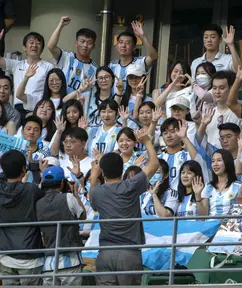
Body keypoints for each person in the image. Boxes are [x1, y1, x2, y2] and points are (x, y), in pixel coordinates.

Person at [89, 128, 159, 286]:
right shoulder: (130, 186)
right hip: (129, 254)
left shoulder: (98, 192)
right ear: (122, 169)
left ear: (103, 172)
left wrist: (94, 177)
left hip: (105, 254)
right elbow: (154, 165)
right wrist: (147, 141)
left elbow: (92, 201)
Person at [0, 150, 45, 286]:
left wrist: (9, 168)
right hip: (30, 257)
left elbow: (4, 176)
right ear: (23, 169)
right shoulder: (31, 189)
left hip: (5, 256)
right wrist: (38, 171)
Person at [36, 166, 86, 286]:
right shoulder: (68, 197)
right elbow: (82, 216)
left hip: (48, 263)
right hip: (70, 261)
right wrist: (75, 195)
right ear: (63, 183)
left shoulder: (38, 203)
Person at [0, 31, 54, 121]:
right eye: (31, 42)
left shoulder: (48, 67)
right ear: (24, 47)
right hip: (17, 109)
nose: (34, 45)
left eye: (38, 43)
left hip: (36, 110)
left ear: (42, 48)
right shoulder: (16, 65)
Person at [48, 16, 97, 93]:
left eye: (89, 43)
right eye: (82, 41)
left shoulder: (95, 69)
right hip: (61, 103)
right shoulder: (66, 57)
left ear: (93, 46)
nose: (85, 45)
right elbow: (51, 46)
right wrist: (61, 25)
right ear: (76, 43)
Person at [109, 22, 158, 95]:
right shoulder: (112, 65)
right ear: (117, 46)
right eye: (121, 42)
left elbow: (154, 56)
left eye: (128, 43)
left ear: (134, 47)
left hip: (135, 103)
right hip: (115, 104)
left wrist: (142, 37)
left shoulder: (140, 62)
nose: (123, 45)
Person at [201, 149, 242, 216]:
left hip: (228, 225)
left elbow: (241, 216)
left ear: (227, 162)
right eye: (213, 161)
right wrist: (197, 195)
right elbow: (202, 216)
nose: (215, 164)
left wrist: (241, 204)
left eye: (219, 160)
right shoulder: (208, 187)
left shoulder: (238, 186)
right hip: (210, 224)